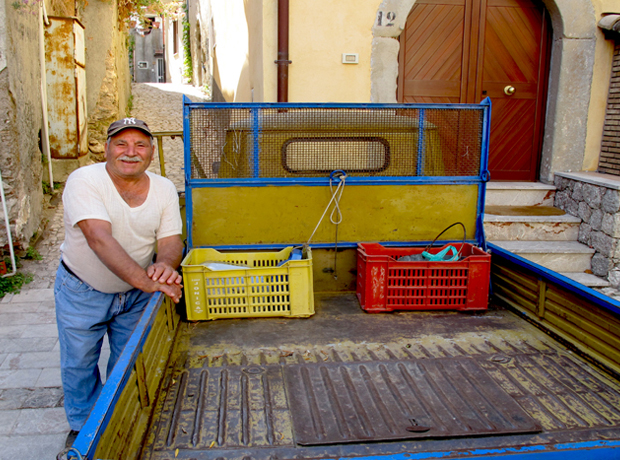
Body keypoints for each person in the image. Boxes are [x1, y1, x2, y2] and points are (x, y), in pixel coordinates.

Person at [54, 118, 184, 448]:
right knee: (80, 362)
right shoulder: (84, 180)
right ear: (108, 149)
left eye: (140, 145)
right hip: (83, 289)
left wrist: (164, 267)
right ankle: (82, 430)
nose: (130, 152)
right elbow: (98, 238)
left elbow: (170, 239)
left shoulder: (164, 188)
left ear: (151, 153)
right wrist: (148, 282)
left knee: (127, 360)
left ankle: (114, 423)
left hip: (135, 293)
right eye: (121, 144)